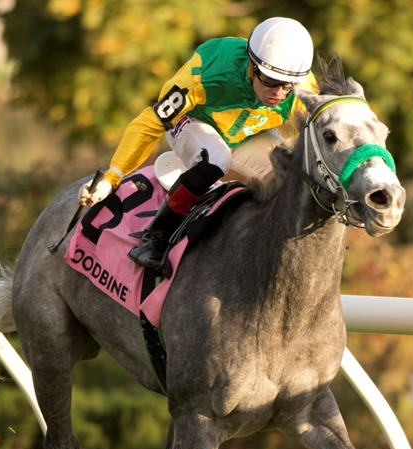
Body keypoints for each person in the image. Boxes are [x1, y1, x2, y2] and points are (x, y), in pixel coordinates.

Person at [78, 17, 317, 272]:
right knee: (217, 159)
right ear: (252, 65)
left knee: (292, 175)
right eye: (270, 81)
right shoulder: (209, 72)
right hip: (191, 123)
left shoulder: (302, 85)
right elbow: (151, 121)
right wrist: (113, 175)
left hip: (247, 135)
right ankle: (155, 237)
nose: (278, 93)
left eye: (287, 86)